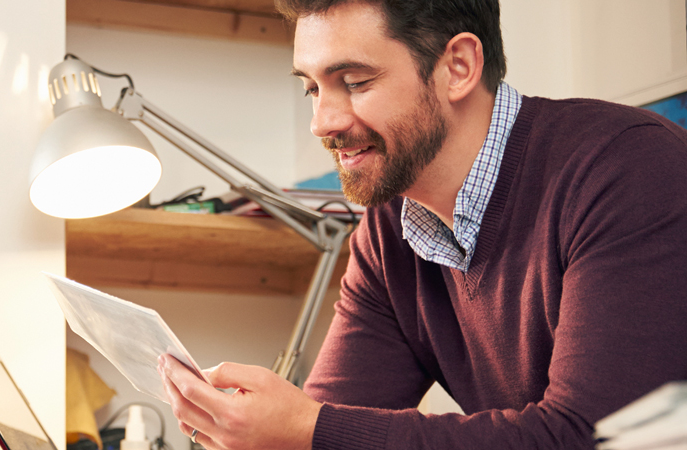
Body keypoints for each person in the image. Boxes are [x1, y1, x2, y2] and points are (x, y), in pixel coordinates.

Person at [157, 0, 687, 448]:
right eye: (312, 89)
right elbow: (336, 424)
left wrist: (305, 427)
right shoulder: (390, 234)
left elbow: (590, 436)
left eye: (355, 82)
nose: (323, 122)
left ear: (458, 66)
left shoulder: (626, 167)